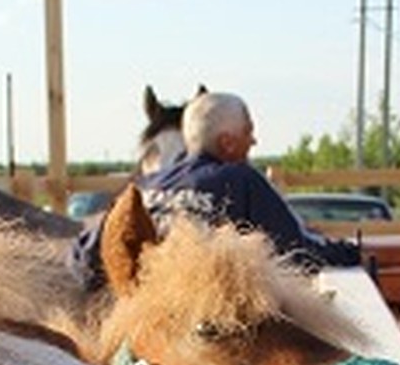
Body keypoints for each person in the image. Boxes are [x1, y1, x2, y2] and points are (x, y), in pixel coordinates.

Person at [72, 91, 360, 285]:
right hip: (209, 331)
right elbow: (298, 252)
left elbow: (85, 257)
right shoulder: (241, 180)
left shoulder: (142, 187)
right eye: (249, 131)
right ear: (227, 143)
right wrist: (351, 253)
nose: (254, 141)